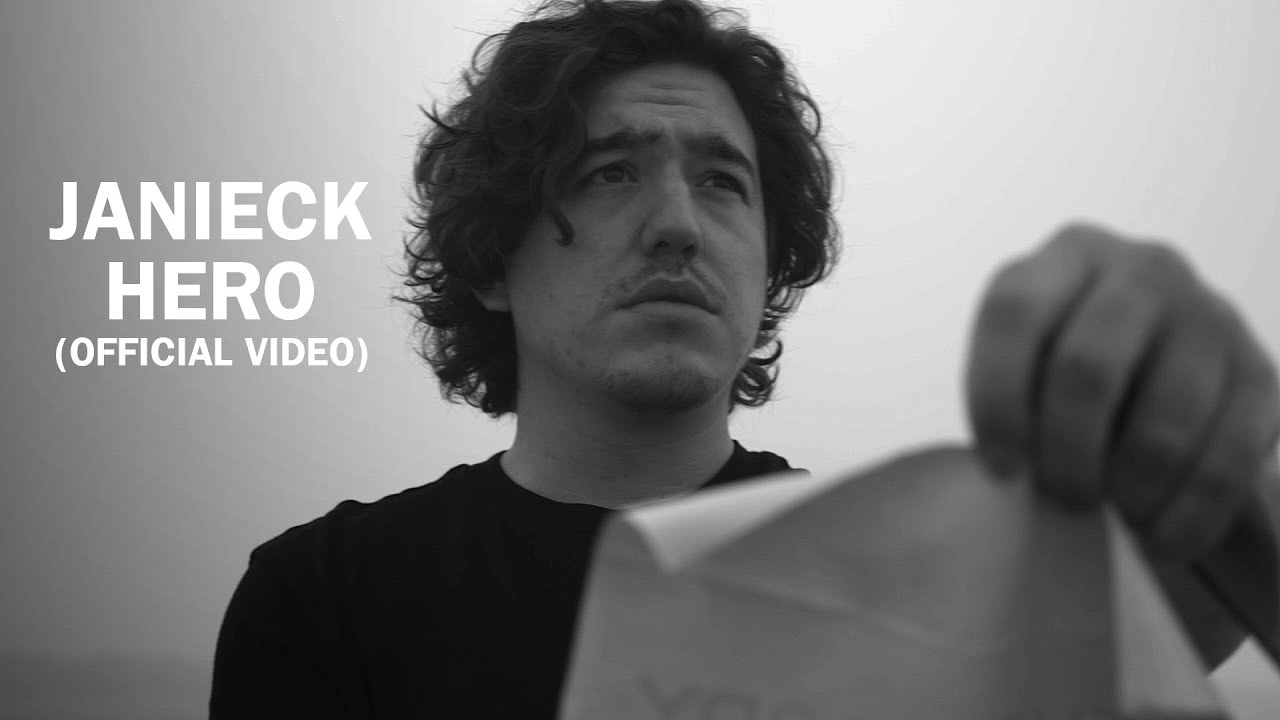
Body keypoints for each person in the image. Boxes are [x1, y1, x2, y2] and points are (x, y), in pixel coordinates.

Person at [210, 0, 1280, 717]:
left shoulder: (918, 595)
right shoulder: (324, 598)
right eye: (608, 172)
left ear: (769, 264)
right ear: (493, 259)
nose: (679, 224)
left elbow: (1146, 629)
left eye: (723, 183)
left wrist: (1227, 463)